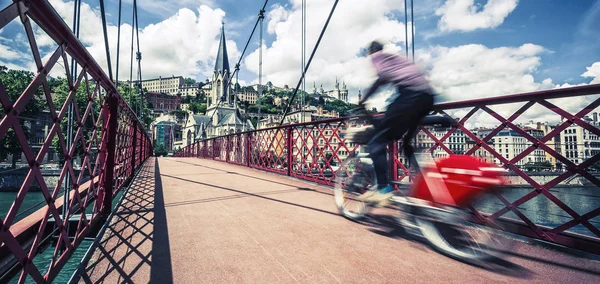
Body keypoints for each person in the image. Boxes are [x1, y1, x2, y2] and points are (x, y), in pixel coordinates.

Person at [357, 41, 435, 207]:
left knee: (376, 143)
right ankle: (426, 185)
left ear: (371, 51)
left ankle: (384, 188)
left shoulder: (377, 56)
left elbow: (381, 79)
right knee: (407, 144)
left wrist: (364, 99)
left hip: (410, 97)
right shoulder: (397, 58)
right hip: (427, 98)